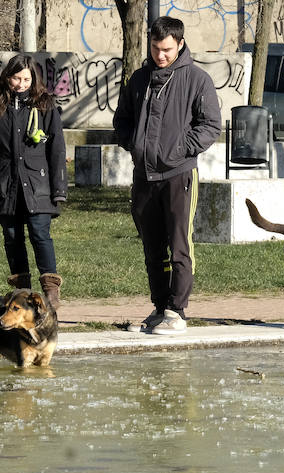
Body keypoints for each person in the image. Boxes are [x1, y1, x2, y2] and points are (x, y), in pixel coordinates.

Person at [113, 16, 221, 335]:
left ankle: (177, 311)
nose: (160, 55)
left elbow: (211, 126)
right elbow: (123, 119)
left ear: (180, 44)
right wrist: (135, 146)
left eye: (167, 49)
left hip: (179, 175)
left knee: (179, 245)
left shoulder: (197, 80)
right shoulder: (139, 79)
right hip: (144, 177)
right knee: (152, 247)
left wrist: (176, 151)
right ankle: (159, 308)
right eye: (156, 48)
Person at [0, 54, 67, 308]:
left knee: (40, 233)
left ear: (33, 79)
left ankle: (50, 292)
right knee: (12, 237)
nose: (21, 84)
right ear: (6, 77)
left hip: (38, 186)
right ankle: (23, 293)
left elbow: (57, 149)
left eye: (26, 79)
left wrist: (59, 190)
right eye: (16, 78)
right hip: (5, 185)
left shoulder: (45, 105)